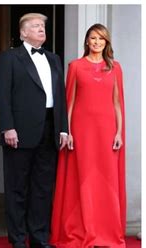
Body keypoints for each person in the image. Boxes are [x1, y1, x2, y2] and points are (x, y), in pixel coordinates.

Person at [0, 13, 68, 248]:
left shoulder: (54, 59)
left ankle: (39, 238)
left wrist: (63, 129)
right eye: (35, 26)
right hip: (19, 131)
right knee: (17, 189)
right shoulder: (10, 58)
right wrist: (7, 127)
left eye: (43, 26)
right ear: (23, 33)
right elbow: (2, 95)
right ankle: (17, 240)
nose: (41, 29)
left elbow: (61, 97)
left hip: (50, 129)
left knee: (43, 189)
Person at [50, 23, 126, 248]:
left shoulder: (115, 68)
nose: (97, 42)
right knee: (81, 179)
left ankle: (105, 231)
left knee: (106, 180)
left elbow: (117, 103)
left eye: (101, 39)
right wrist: (69, 131)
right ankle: (81, 230)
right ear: (87, 41)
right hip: (81, 132)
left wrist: (119, 132)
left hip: (107, 131)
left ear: (106, 42)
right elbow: (69, 103)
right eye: (93, 38)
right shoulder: (75, 66)